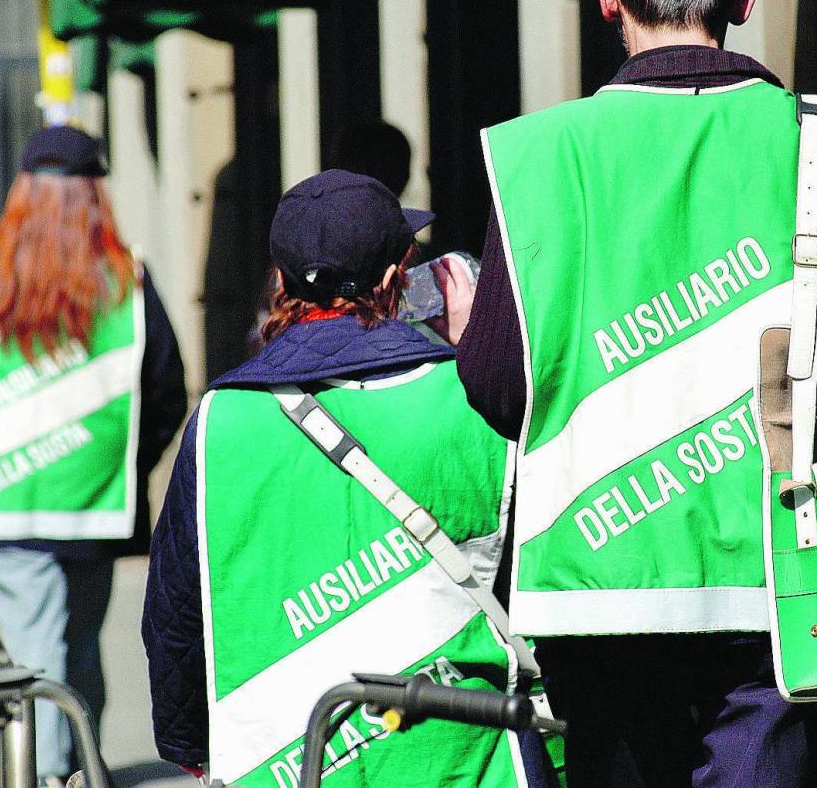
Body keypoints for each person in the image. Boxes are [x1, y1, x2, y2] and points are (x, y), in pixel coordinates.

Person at [455, 0, 817, 786]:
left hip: (594, 585)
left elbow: (501, 384)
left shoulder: (535, 158)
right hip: (787, 586)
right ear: (746, 1)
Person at [142, 170, 549, 788]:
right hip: (469, 759)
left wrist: (192, 748)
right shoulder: (471, 402)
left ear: (280, 283)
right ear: (395, 281)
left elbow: (174, 616)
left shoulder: (220, 422)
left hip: (290, 767)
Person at [0, 125, 187, 788]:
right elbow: (166, 386)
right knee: (75, 644)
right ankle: (69, 766)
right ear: (95, 191)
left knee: (37, 640)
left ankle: (50, 770)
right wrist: (125, 458)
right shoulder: (125, 277)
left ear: (21, 187)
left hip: (0, 494)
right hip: (94, 496)